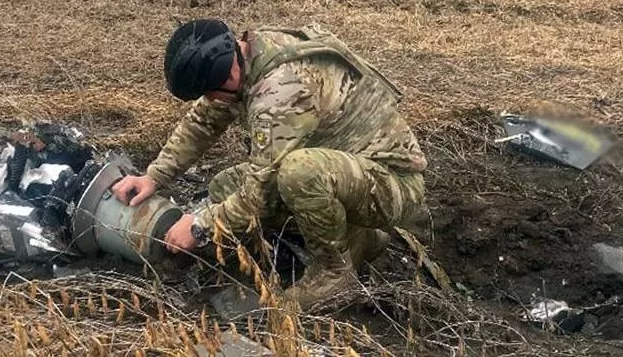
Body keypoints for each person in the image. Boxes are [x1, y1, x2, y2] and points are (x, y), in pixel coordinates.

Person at [112, 19, 427, 310]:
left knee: (298, 173)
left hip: (392, 184)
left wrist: (199, 226)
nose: (209, 101)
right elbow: (202, 122)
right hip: (348, 170)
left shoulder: (280, 90)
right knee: (225, 185)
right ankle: (360, 238)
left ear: (229, 76)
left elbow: (258, 195)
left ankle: (334, 274)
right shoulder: (246, 56)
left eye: (210, 94)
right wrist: (153, 177)